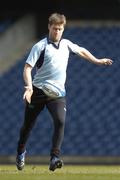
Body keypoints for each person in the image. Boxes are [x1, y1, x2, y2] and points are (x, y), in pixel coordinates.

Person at [16, 12, 113, 171]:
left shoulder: (66, 44)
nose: (57, 32)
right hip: (38, 91)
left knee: (60, 121)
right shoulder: (40, 46)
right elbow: (27, 68)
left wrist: (97, 60)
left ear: (63, 29)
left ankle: (54, 158)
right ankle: (20, 152)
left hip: (57, 94)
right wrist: (29, 87)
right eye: (55, 29)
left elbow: (81, 50)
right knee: (28, 126)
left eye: (60, 29)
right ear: (49, 27)